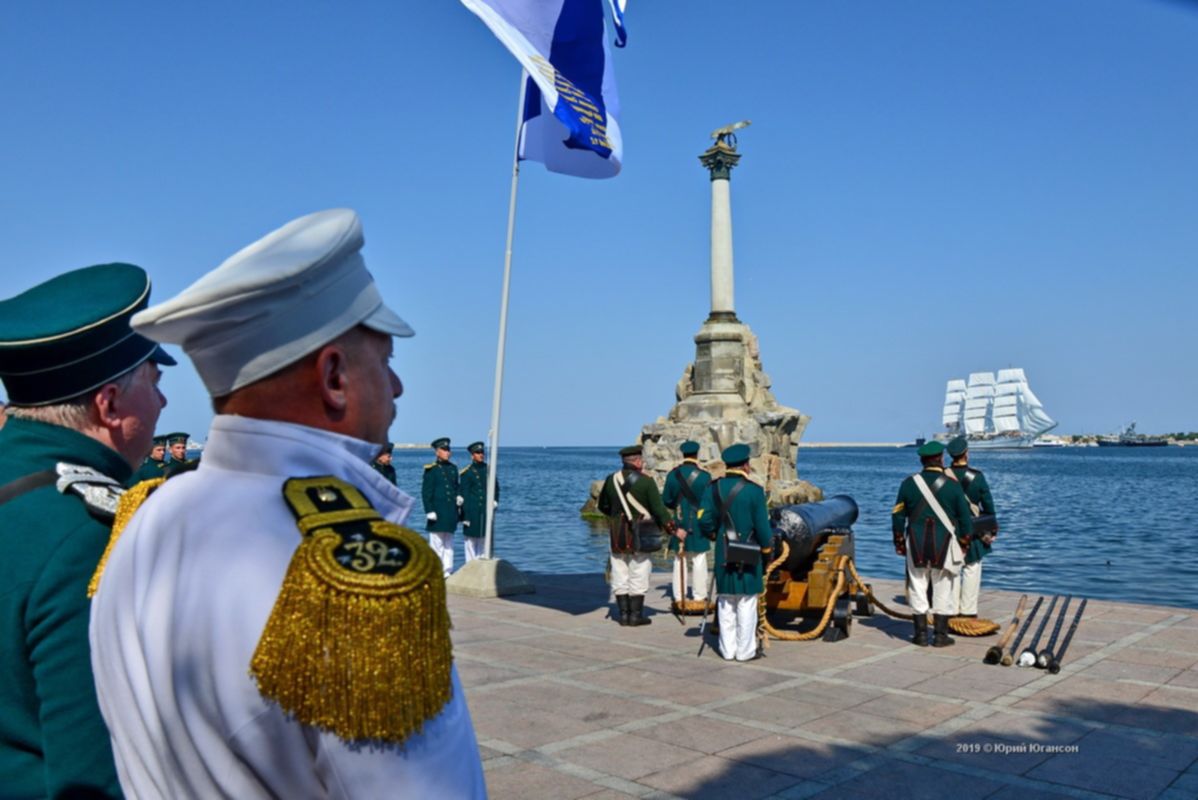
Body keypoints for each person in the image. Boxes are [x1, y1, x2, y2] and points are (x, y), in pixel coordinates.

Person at [88, 209, 485, 798]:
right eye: (387, 361)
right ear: (333, 377)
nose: (397, 387)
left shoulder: (143, 518)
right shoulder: (352, 576)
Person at [0, 262, 173, 799]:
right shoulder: (88, 536)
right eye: (155, 380)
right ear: (110, 404)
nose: (163, 402)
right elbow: (95, 775)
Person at [891, 440, 974, 647]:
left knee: (918, 585)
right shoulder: (953, 486)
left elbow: (898, 516)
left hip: (916, 542)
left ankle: (920, 635)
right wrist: (964, 542)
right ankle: (939, 635)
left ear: (922, 460)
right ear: (941, 459)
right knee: (943, 585)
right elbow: (965, 519)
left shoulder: (908, 484)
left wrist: (899, 541)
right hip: (943, 543)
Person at [698, 444, 773, 662]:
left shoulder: (712, 488)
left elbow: (703, 518)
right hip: (749, 550)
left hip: (724, 549)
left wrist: (712, 534)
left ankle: (727, 649)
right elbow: (763, 528)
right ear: (746, 465)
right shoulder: (754, 491)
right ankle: (745, 651)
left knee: (725, 600)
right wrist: (767, 550)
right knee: (746, 602)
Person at [597, 444, 676, 626]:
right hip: (640, 532)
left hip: (617, 533)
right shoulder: (646, 482)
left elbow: (603, 506)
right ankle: (636, 615)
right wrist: (671, 528)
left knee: (619, 572)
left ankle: (623, 615)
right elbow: (659, 510)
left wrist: (617, 517)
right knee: (639, 571)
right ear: (638, 461)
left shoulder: (611, 480)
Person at [946, 436, 997, 618]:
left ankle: (950, 609)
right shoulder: (977, 477)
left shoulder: (942, 477)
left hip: (949, 529)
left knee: (951, 570)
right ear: (966, 453)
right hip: (973, 529)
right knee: (972, 568)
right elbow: (989, 506)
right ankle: (968, 611)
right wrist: (992, 529)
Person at [662, 440, 712, 608]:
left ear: (682, 455)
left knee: (679, 559)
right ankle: (699, 596)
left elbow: (667, 501)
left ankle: (678, 597)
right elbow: (709, 503)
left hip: (679, 520)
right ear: (697, 455)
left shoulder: (672, 475)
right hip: (698, 522)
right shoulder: (704, 476)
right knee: (699, 559)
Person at [423, 437, 459, 577]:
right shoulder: (431, 470)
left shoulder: (453, 468)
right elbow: (426, 493)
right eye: (444, 450)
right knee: (437, 543)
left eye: (448, 450)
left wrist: (459, 497)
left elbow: (455, 487)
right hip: (437, 511)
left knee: (449, 543)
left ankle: (447, 570)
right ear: (437, 452)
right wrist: (429, 510)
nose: (447, 452)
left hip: (450, 511)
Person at [458, 441, 498, 564]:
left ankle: (482, 568)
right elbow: (464, 494)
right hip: (472, 511)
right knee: (470, 542)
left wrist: (495, 500)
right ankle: (470, 568)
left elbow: (496, 487)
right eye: (478, 453)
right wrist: (465, 515)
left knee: (484, 540)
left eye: (482, 452)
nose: (481, 455)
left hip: (484, 511)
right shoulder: (467, 473)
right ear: (472, 455)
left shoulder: (488, 470)